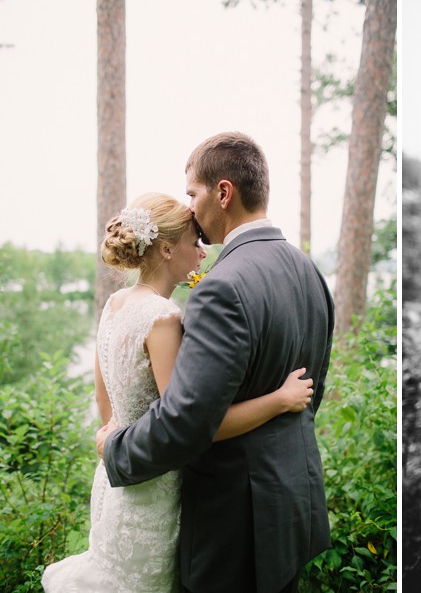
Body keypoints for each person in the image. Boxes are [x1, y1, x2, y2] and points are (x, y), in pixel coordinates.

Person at [96, 132, 335, 593]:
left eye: (192, 192)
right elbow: (311, 390)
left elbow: (186, 420)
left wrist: (116, 449)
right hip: (292, 501)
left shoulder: (221, 286)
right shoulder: (310, 271)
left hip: (233, 521)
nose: (190, 207)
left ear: (223, 193)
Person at [42, 193, 315, 592]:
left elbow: (105, 401)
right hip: (153, 488)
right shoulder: (163, 318)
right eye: (195, 244)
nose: (203, 254)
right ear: (167, 249)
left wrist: (114, 438)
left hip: (115, 480)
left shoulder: (115, 304)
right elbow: (186, 424)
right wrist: (279, 400)